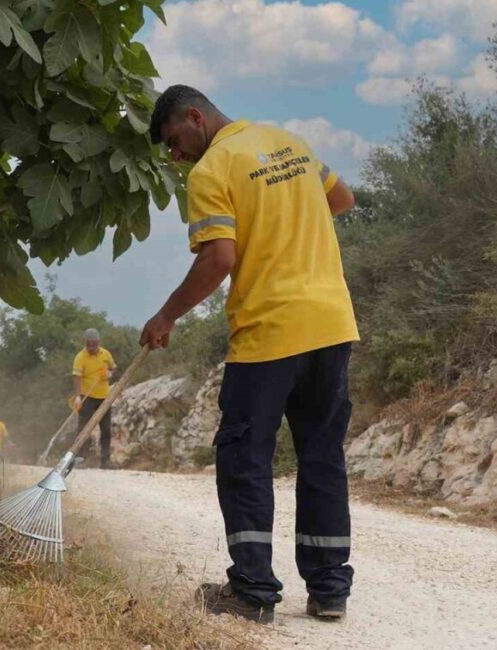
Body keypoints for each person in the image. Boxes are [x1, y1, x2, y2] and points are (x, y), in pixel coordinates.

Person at [141, 85, 358, 624]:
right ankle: (330, 590)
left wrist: (166, 314)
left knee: (244, 460)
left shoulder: (213, 169)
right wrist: (290, 222)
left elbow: (218, 259)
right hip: (331, 324)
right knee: (322, 458)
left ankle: (253, 592)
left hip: (270, 332)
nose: (176, 155)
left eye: (174, 141)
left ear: (195, 117)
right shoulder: (290, 143)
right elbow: (342, 199)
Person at [72, 328, 117, 469]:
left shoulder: (106, 354)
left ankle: (105, 461)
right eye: (89, 344)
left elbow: (114, 367)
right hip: (87, 397)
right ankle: (80, 459)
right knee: (84, 428)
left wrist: (110, 373)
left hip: (104, 397)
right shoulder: (80, 357)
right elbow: (77, 378)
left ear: (98, 342)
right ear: (85, 342)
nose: (91, 347)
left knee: (106, 429)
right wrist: (78, 396)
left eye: (94, 344)